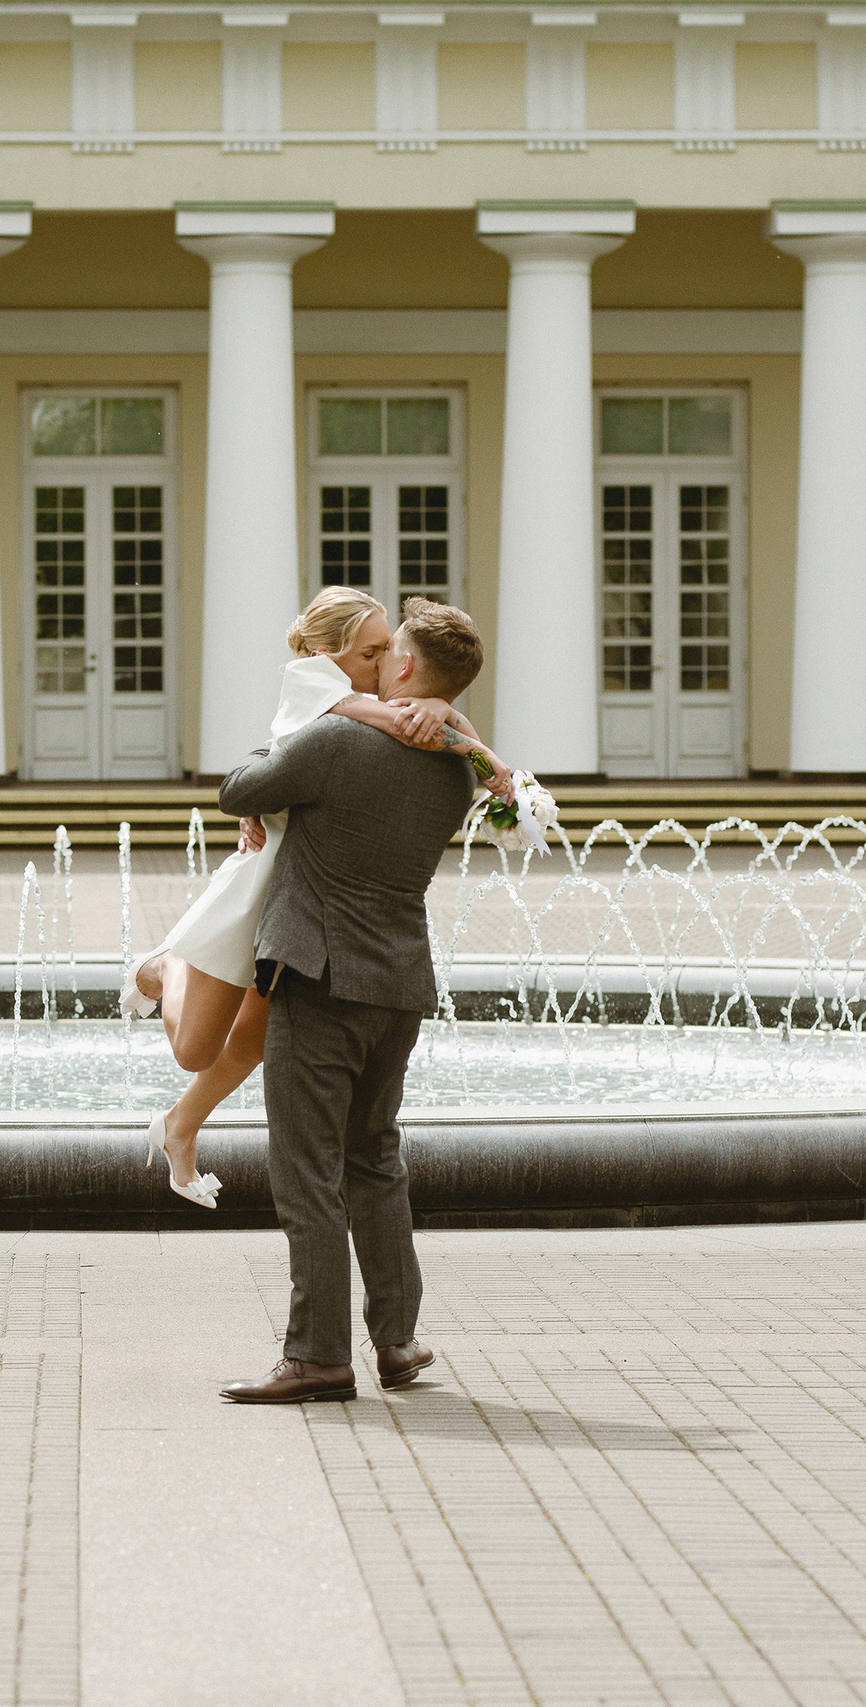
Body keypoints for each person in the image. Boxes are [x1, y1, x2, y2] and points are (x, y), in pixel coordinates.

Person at [123, 588, 514, 1209]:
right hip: (262, 887)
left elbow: (384, 725)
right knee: (194, 1048)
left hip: (299, 904)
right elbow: (386, 722)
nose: (388, 660)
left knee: (254, 1039)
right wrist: (466, 734)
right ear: (330, 655)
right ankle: (169, 964)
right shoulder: (315, 685)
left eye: (391, 648)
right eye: (373, 651)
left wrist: (449, 718)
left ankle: (180, 1126)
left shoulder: (358, 698)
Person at [213, 598, 489, 1405]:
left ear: (404, 667)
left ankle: (318, 1356)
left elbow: (239, 788)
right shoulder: (456, 766)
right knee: (375, 1160)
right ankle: (397, 1341)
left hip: (319, 976)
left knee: (306, 1171)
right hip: (399, 983)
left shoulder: (333, 742)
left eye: (386, 652)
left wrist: (308, 723)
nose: (373, 664)